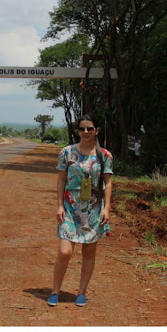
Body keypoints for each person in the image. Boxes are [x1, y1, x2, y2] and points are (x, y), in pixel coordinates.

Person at [47, 115, 113, 307]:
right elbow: (61, 179)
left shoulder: (105, 156)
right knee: (64, 252)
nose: (86, 132)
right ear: (78, 131)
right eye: (82, 128)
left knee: (89, 253)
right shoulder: (66, 152)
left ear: (96, 131)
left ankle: (81, 293)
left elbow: (108, 183)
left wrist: (107, 208)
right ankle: (55, 291)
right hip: (70, 205)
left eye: (90, 128)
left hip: (93, 208)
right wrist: (59, 204)